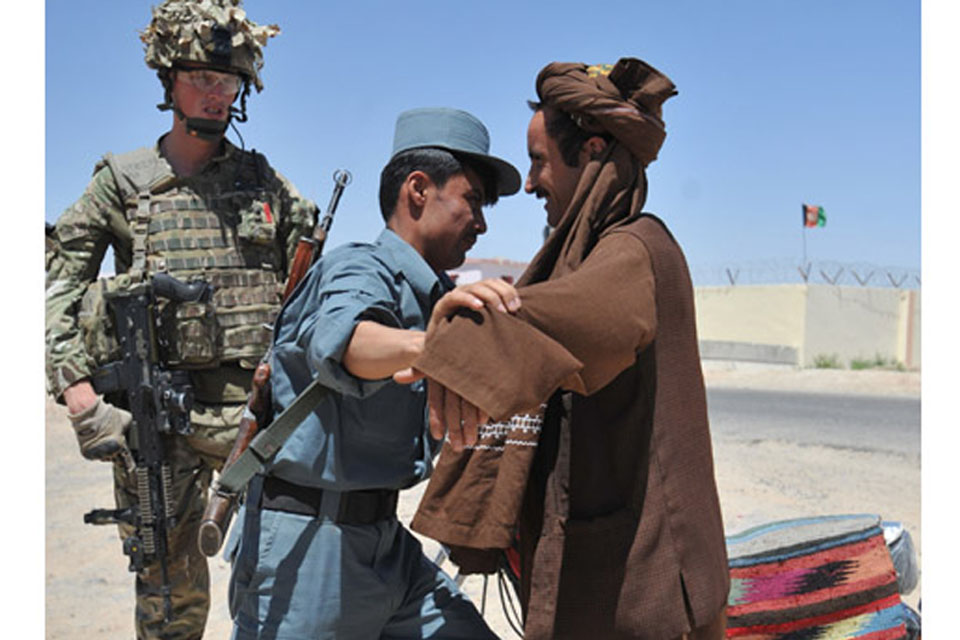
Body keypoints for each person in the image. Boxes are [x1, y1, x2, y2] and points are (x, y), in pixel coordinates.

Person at [404, 58, 730, 639]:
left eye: (539, 162)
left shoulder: (636, 250)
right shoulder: (603, 251)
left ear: (595, 153)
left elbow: (563, 321)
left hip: (650, 597)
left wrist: (462, 331)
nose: (530, 185)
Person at [44, 1, 317, 638]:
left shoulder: (265, 183)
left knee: (285, 581)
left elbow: (314, 282)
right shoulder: (121, 183)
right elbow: (57, 291)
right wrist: (82, 399)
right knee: (171, 600)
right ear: (169, 80)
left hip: (257, 414)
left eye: (228, 82)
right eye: (201, 77)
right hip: (158, 421)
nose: (216, 94)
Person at [226, 107, 522, 639]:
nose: (481, 223)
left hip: (384, 543)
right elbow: (347, 342)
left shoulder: (431, 291)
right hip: (313, 553)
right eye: (473, 200)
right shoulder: (359, 267)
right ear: (418, 190)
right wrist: (434, 347)